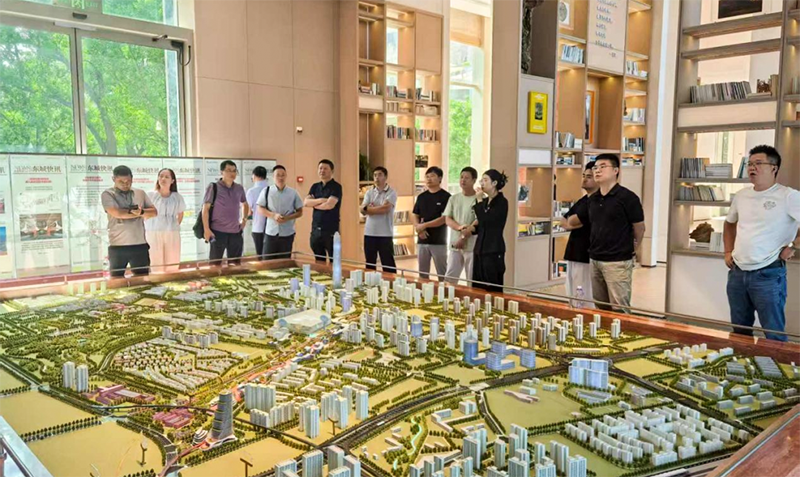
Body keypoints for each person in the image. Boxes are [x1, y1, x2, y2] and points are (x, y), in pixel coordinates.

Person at [724, 145, 800, 342]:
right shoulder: (742, 195)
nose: (752, 168)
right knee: (739, 330)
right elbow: (729, 223)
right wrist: (727, 251)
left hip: (768, 273)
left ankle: (778, 362)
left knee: (773, 332)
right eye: (750, 164)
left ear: (774, 168)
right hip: (738, 273)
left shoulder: (788, 196)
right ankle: (741, 360)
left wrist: (793, 246)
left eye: (758, 163)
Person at [567, 154, 645, 313]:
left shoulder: (627, 198)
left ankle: (622, 329)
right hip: (595, 258)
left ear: (616, 170)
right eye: (595, 167)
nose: (597, 170)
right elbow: (575, 221)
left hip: (617, 261)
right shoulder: (593, 199)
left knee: (619, 307)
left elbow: (639, 228)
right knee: (601, 306)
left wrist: (634, 249)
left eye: (603, 167)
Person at [101, 165, 157, 277]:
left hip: (139, 244)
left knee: (143, 278)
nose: (125, 184)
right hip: (118, 245)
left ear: (132, 178)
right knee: (117, 279)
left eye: (128, 181)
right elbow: (117, 213)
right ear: (113, 179)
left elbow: (154, 212)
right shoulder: (108, 194)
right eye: (121, 181)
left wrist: (141, 212)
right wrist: (138, 213)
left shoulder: (140, 193)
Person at [560, 161, 597, 308]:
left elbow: (574, 221)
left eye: (589, 177)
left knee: (584, 292)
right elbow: (564, 221)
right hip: (574, 251)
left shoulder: (596, 201)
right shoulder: (584, 200)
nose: (584, 179)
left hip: (585, 253)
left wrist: (572, 223)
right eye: (584, 176)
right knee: (572, 289)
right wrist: (573, 224)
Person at [467, 169, 509, 292]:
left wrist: (479, 200)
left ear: (494, 183)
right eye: (481, 180)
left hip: (493, 249)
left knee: (492, 285)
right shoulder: (485, 202)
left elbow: (488, 221)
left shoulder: (501, 202)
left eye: (485, 180)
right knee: (478, 285)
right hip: (480, 248)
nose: (482, 183)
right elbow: (481, 224)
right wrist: (471, 228)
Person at [202, 160, 250, 267]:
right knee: (215, 264)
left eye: (234, 171)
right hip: (218, 232)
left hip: (235, 232)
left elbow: (245, 204)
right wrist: (206, 229)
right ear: (221, 172)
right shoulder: (213, 187)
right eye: (228, 170)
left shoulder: (239, 188)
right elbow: (205, 209)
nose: (232, 173)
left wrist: (244, 220)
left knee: (235, 264)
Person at [257, 165, 304, 260]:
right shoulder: (266, 191)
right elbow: (260, 208)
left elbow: (300, 212)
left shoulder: (293, 193)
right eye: (278, 175)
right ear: (273, 177)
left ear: (286, 176)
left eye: (283, 175)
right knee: (267, 262)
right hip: (271, 232)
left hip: (287, 233)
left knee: (284, 262)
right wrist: (273, 215)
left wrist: (287, 218)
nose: (280, 177)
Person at [413, 166, 451, 280]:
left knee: (442, 273)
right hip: (422, 240)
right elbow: (415, 215)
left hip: (438, 241)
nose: (429, 179)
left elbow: (444, 219)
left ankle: (444, 290)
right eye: (427, 176)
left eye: (432, 176)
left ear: (440, 178)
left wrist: (424, 225)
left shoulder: (446, 197)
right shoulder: (421, 197)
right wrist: (418, 228)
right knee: (422, 274)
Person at [145, 168, 186, 273]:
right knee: (155, 261)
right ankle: (157, 281)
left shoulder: (177, 197)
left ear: (172, 181)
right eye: (161, 176)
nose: (163, 179)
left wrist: (174, 226)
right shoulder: (150, 195)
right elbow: (144, 213)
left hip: (172, 232)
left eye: (167, 177)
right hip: (153, 231)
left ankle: (172, 281)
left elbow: (180, 214)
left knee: (172, 260)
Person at [443, 167, 478, 284]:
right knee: (450, 278)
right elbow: (448, 219)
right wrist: (460, 228)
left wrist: (464, 236)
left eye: (467, 178)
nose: (463, 180)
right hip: (455, 244)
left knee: (471, 279)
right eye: (461, 177)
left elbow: (478, 221)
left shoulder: (479, 199)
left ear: (474, 180)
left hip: (472, 246)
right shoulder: (453, 198)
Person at [304, 159, 342, 263]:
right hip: (316, 230)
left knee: (334, 261)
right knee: (319, 261)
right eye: (320, 168)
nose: (322, 171)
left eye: (325, 168)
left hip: (330, 230)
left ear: (332, 171)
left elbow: (329, 205)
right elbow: (306, 203)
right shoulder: (315, 186)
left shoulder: (336, 187)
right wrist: (321, 200)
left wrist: (314, 204)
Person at [361, 166, 397, 273]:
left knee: (388, 263)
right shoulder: (369, 192)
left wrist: (369, 209)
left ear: (385, 177)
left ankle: (391, 282)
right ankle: (370, 282)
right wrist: (371, 208)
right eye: (375, 175)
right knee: (370, 263)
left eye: (380, 175)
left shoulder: (391, 192)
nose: (377, 177)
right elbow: (362, 209)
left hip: (385, 233)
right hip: (369, 233)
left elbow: (385, 209)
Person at [246, 166, 269, 258]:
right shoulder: (271, 189)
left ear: (254, 176)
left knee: (260, 255)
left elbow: (248, 211)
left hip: (258, 227)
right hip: (272, 228)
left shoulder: (251, 191)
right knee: (271, 256)